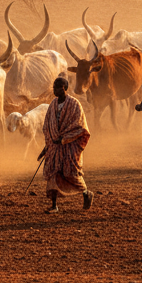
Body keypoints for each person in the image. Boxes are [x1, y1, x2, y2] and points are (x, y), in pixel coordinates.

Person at [39, 76, 93, 213]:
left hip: (70, 147)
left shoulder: (75, 104)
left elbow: (80, 127)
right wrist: (48, 145)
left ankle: (86, 193)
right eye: (54, 87)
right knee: (53, 173)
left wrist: (63, 138)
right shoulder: (52, 105)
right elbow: (48, 126)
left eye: (58, 87)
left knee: (71, 173)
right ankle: (54, 205)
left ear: (65, 88)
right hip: (54, 147)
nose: (55, 90)